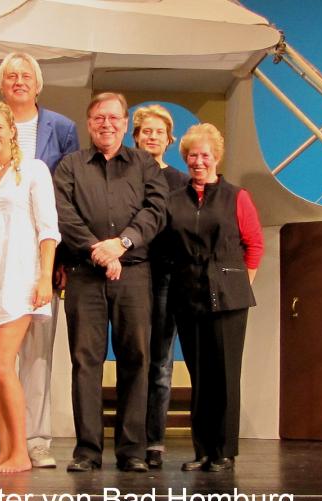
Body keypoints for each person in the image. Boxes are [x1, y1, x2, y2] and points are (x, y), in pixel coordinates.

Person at [0, 52, 79, 469]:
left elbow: (49, 228)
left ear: (12, 130)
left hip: (21, 278)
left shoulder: (35, 170)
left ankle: (25, 451)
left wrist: (46, 276)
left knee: (4, 362)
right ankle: (5, 449)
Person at [53, 92, 169, 473]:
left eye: (114, 117)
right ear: (89, 123)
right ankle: (87, 451)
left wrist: (122, 244)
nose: (107, 124)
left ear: (125, 122)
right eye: (99, 117)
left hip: (133, 273)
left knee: (136, 359)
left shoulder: (144, 164)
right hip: (84, 274)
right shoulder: (70, 166)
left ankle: (132, 450)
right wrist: (97, 250)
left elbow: (156, 210)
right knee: (85, 361)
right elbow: (63, 214)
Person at [168, 123, 263, 472]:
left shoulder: (237, 196)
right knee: (199, 375)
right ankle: (202, 450)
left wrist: (240, 284)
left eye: (205, 155)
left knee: (224, 374)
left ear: (216, 157)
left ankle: (224, 450)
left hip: (229, 299)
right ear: (185, 158)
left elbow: (254, 244)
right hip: (188, 296)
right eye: (192, 155)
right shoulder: (174, 200)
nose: (198, 161)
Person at [131, 104, 189, 469]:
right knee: (133, 358)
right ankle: (130, 439)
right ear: (135, 137)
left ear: (169, 139)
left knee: (161, 363)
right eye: (146, 131)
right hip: (130, 274)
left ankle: (154, 441)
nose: (152, 137)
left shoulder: (180, 181)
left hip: (167, 277)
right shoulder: (123, 173)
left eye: (159, 132)